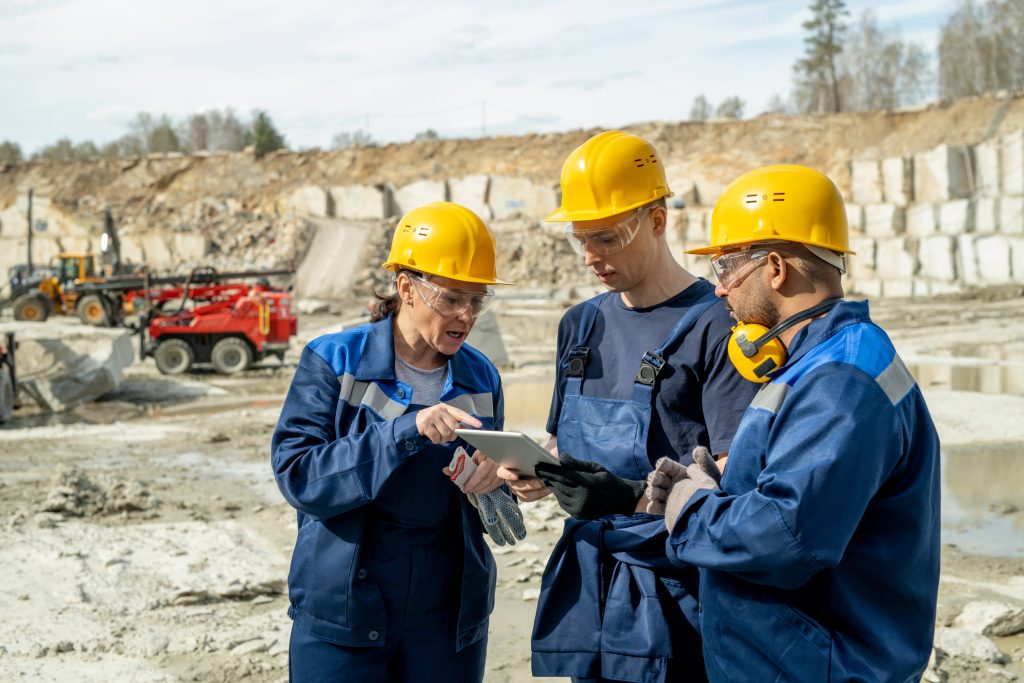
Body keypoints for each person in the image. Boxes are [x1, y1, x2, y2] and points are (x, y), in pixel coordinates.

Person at [645, 164, 941, 682]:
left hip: (825, 667)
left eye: (725, 269)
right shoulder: (817, 363)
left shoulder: (841, 381)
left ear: (776, 268)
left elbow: (788, 536)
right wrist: (723, 489)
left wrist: (692, 512)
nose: (719, 292)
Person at [498, 130, 759, 683]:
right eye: (580, 239)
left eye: (607, 238)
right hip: (593, 580)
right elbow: (561, 441)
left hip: (680, 589)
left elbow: (738, 474)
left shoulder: (718, 324)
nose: (591, 257)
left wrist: (633, 497)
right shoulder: (580, 325)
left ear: (658, 221)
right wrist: (539, 469)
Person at [272, 201, 523, 682]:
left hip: (447, 617)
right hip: (345, 612)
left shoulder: (481, 377)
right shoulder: (334, 361)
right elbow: (300, 476)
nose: (466, 316)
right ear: (407, 288)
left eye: (477, 300)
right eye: (451, 298)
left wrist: (495, 481)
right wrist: (403, 431)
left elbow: (497, 496)